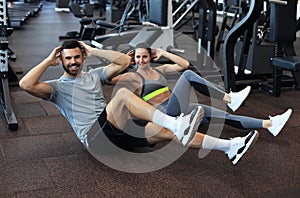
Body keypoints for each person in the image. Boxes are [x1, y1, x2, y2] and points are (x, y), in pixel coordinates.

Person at [19, 39, 258, 165]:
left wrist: (93, 50)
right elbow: (25, 85)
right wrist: (48, 59)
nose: (72, 61)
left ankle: (230, 147)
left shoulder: (94, 75)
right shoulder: (56, 88)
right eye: (67, 59)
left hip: (116, 132)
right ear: (61, 61)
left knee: (164, 131)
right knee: (122, 95)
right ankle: (177, 123)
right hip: (94, 138)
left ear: (82, 58)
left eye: (76, 57)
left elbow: (124, 60)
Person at [110, 45, 292, 137]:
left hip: (178, 107)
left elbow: (183, 64)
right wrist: (124, 61)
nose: (141, 60)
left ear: (150, 57)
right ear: (135, 60)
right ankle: (230, 98)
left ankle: (269, 125)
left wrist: (164, 53)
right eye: (138, 57)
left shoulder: (160, 70)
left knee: (223, 116)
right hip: (165, 112)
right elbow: (108, 78)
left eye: (145, 56)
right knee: (189, 76)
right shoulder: (132, 77)